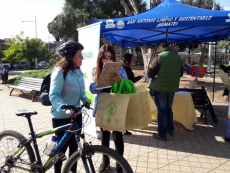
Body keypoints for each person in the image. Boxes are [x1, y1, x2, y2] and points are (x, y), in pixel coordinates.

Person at [49, 40, 91, 173]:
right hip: (61, 117)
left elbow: (82, 90)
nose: (82, 58)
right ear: (69, 56)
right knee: (60, 152)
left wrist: (85, 98)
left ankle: (72, 171)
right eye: (79, 55)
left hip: (75, 116)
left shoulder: (78, 71)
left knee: (74, 149)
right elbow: (54, 95)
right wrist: (65, 109)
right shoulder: (60, 72)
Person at [89, 44, 128, 173]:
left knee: (118, 136)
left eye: (110, 57)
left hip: (116, 105)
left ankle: (119, 165)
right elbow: (91, 89)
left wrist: (119, 81)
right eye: (105, 57)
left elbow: (127, 86)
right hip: (102, 106)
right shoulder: (95, 70)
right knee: (104, 136)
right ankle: (105, 161)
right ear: (100, 58)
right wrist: (100, 82)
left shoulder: (120, 68)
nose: (108, 60)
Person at [147, 41, 183, 141]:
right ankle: (170, 130)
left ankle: (162, 134)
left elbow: (150, 74)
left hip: (160, 89)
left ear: (159, 48)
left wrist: (149, 69)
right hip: (172, 88)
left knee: (162, 111)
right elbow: (180, 74)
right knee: (169, 109)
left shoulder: (159, 57)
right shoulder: (177, 57)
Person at [122, 53, 143, 135]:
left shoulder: (123, 67)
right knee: (125, 111)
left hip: (123, 91)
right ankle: (124, 128)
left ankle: (123, 128)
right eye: (132, 59)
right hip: (126, 92)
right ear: (128, 60)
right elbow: (131, 80)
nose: (133, 60)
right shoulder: (126, 68)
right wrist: (140, 77)